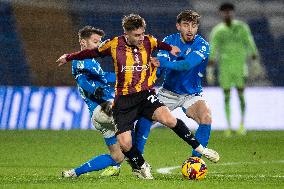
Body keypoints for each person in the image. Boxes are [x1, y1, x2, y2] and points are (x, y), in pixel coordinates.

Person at [57, 14, 219, 180]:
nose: (142, 38)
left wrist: (168, 52)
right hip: (124, 101)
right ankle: (138, 162)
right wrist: (69, 58)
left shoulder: (152, 41)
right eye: (137, 35)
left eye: (142, 34)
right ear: (126, 34)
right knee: (127, 141)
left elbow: (173, 57)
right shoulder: (113, 45)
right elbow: (91, 58)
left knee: (167, 122)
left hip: (155, 95)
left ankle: (199, 152)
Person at [62, 26, 151, 178]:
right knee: (144, 112)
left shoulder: (92, 62)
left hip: (99, 117)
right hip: (103, 110)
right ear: (83, 43)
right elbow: (83, 80)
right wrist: (102, 95)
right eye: (95, 41)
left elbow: (105, 77)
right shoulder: (81, 61)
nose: (99, 45)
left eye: (100, 41)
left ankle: (74, 173)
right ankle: (140, 164)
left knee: (117, 156)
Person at [153, 10, 213, 158]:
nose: (190, 29)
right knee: (143, 124)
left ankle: (195, 160)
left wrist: (163, 63)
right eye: (186, 25)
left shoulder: (202, 45)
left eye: (193, 25)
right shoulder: (168, 41)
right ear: (178, 26)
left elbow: (187, 65)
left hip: (191, 94)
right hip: (168, 93)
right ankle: (127, 161)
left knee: (206, 118)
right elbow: (159, 69)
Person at [207, 2, 258, 136]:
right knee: (227, 96)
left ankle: (242, 124)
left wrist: (255, 63)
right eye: (224, 11)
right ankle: (229, 126)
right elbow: (213, 49)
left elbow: (250, 43)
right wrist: (210, 70)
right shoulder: (218, 30)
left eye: (229, 11)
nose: (227, 14)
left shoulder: (242, 27)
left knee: (241, 95)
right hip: (225, 68)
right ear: (221, 14)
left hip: (240, 66)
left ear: (233, 13)